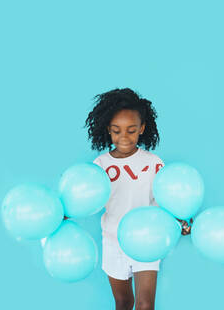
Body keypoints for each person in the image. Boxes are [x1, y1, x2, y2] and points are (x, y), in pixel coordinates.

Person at [78, 87, 192, 310]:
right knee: (123, 302)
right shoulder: (100, 166)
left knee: (145, 304)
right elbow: (86, 200)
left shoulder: (154, 162)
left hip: (149, 237)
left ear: (142, 128)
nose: (124, 137)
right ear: (108, 130)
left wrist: (179, 222)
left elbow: (165, 199)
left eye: (131, 130)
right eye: (116, 130)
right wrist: (64, 214)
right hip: (113, 240)